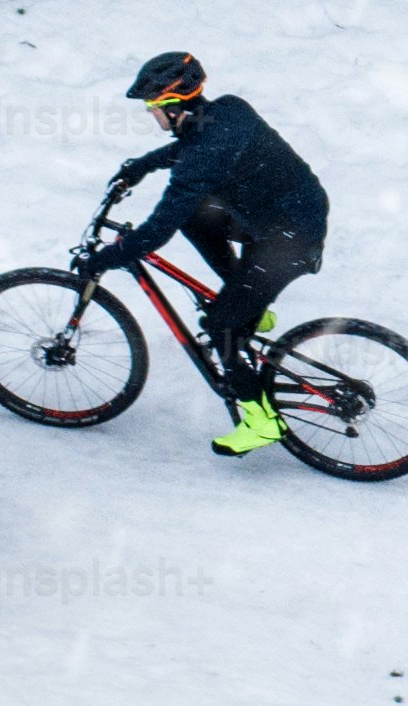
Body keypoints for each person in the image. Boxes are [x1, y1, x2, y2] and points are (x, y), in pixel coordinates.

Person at [76, 51, 328, 456]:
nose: (152, 116)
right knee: (196, 215)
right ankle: (251, 305)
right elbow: (195, 145)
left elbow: (156, 231)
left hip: (289, 239)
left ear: (174, 106)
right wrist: (142, 166)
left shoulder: (201, 156)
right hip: (285, 214)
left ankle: (261, 421)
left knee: (222, 328)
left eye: (153, 108)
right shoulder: (228, 110)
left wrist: (104, 259)